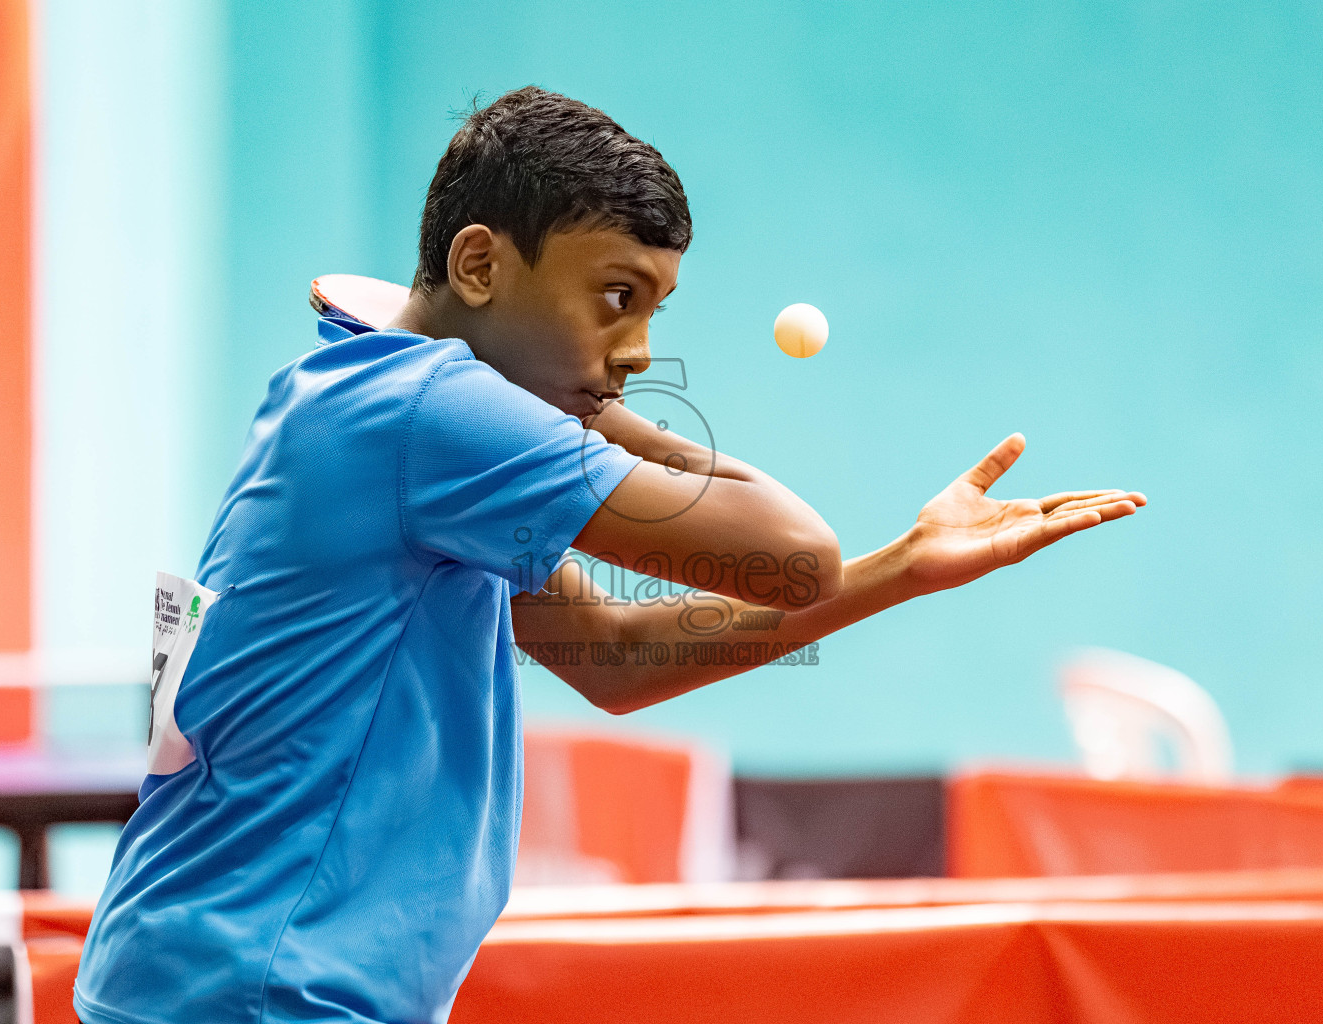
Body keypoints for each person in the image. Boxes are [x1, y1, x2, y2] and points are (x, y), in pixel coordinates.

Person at [73, 86, 1144, 1024]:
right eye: (616, 297)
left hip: (220, 977)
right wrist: (606, 419)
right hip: (262, 991)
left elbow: (616, 658)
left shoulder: (376, 402)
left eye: (654, 309)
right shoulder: (428, 409)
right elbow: (794, 550)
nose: (635, 349)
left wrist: (899, 568)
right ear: (481, 264)